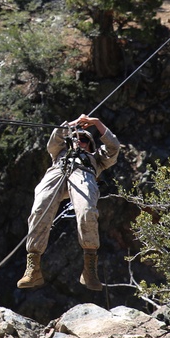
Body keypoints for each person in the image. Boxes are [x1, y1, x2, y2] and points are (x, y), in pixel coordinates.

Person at [17, 114, 121, 291]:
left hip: (83, 174)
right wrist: (71, 125)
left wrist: (96, 123)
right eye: (76, 139)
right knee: (40, 207)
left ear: (90, 145)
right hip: (57, 172)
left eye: (84, 140)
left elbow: (113, 147)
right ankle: (33, 268)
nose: (79, 141)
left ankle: (89, 268)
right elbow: (53, 141)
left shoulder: (96, 158)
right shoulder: (59, 152)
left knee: (87, 211)